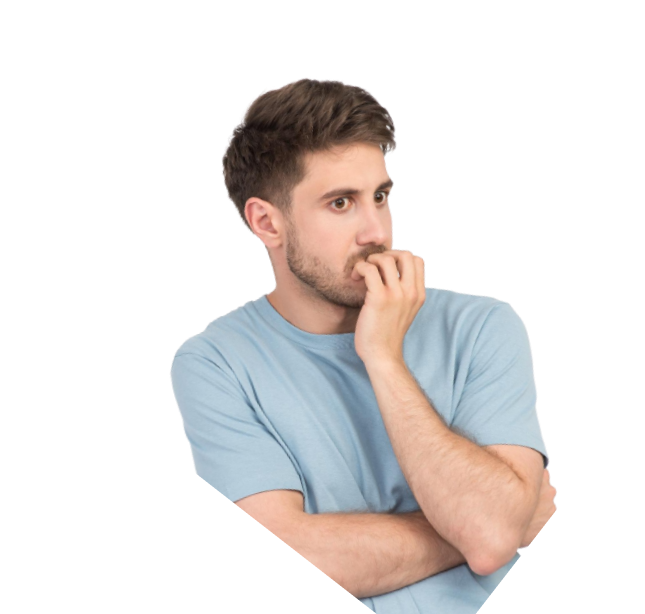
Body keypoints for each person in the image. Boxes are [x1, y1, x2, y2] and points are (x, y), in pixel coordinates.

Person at [169, 77, 556, 612]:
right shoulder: (214, 363)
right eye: (340, 203)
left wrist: (384, 358)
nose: (376, 231)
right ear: (266, 221)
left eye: (381, 196)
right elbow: (490, 537)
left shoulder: (482, 326)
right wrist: (483, 529)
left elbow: (489, 535)